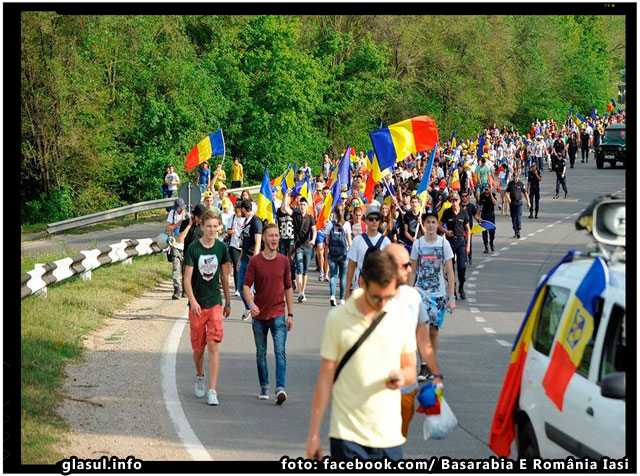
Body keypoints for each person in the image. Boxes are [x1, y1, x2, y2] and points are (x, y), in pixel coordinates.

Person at [306, 252, 417, 461]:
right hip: (348, 436)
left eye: (389, 296)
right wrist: (314, 434)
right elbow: (324, 379)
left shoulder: (401, 314)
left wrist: (403, 376)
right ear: (362, 283)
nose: (383, 303)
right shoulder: (338, 319)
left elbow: (411, 368)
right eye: (377, 297)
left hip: (390, 436)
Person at [384, 243, 443, 435]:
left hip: (406, 387)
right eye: (405, 265)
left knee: (397, 438)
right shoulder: (368, 297)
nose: (410, 269)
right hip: (376, 388)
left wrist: (436, 374)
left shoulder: (412, 297)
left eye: (410, 264)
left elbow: (423, 340)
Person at [183, 209, 231, 406]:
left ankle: (212, 390)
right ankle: (200, 375)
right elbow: (186, 279)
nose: (212, 229)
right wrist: (193, 301)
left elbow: (225, 277)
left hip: (214, 303)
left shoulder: (221, 248)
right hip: (197, 305)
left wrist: (227, 301)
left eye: (215, 226)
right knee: (198, 349)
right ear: (201, 227)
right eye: (208, 226)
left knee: (213, 344)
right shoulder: (194, 249)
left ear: (219, 227)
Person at [243, 223, 294, 404]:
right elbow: (246, 286)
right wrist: (251, 304)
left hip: (279, 313)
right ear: (264, 238)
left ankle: (280, 388)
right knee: (261, 353)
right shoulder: (255, 261)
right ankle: (264, 385)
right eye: (271, 236)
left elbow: (288, 288)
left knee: (280, 352)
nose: (274, 239)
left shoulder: (284, 261)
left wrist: (290, 314)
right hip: (259, 316)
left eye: (277, 235)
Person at [345, 206, 391, 299]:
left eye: (377, 219)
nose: (374, 221)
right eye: (371, 219)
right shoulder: (358, 240)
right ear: (365, 221)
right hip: (360, 289)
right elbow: (351, 266)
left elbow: (389, 269)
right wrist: (346, 293)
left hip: (380, 289)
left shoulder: (386, 241)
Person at [439, 191, 470, 300]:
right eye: (452, 200)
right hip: (450, 242)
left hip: (461, 241)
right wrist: (446, 232)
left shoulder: (463, 213)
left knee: (462, 267)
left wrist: (468, 245)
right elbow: (440, 225)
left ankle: (461, 286)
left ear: (459, 201)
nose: (454, 202)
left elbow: (468, 229)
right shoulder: (447, 212)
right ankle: (453, 289)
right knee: (450, 268)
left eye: (456, 200)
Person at [237, 199, 263, 320]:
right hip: (244, 259)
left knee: (254, 288)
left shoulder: (256, 221)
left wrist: (255, 260)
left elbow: (258, 242)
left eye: (240, 208)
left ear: (244, 209)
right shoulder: (246, 222)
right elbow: (244, 243)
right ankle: (249, 307)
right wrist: (239, 259)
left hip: (252, 260)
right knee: (241, 287)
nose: (239, 211)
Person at [326, 203, 352, 306]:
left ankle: (332, 296)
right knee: (343, 277)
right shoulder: (346, 224)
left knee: (333, 275)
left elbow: (327, 240)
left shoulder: (330, 224)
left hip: (332, 253)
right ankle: (342, 299)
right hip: (344, 254)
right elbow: (349, 241)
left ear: (335, 213)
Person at [292, 197, 316, 302]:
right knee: (299, 269)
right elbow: (286, 209)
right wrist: (286, 197)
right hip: (298, 247)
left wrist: (313, 240)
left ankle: (303, 291)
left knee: (305, 271)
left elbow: (314, 230)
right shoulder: (295, 216)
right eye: (301, 204)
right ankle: (300, 293)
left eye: (304, 205)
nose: (302, 206)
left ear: (307, 206)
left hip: (308, 246)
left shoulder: (310, 218)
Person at [166, 198, 187, 300]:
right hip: (175, 245)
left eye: (180, 209)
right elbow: (168, 228)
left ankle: (185, 289)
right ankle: (176, 289)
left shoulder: (188, 215)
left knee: (185, 270)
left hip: (185, 246)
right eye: (178, 209)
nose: (179, 211)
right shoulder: (172, 214)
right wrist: (177, 224)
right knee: (175, 268)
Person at [226, 201, 245, 297]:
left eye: (239, 211)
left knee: (244, 266)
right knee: (237, 266)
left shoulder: (246, 219)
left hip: (244, 245)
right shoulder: (232, 218)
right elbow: (227, 230)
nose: (237, 213)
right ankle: (238, 288)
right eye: (236, 211)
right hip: (234, 245)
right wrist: (231, 231)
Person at [505, 170, 530, 239]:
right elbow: (506, 193)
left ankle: (518, 229)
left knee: (518, 216)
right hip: (512, 203)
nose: (515, 179)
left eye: (516, 178)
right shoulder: (510, 184)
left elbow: (525, 193)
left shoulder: (521, 184)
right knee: (513, 217)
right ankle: (515, 230)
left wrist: (528, 202)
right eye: (514, 178)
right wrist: (508, 199)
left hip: (519, 202)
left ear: (518, 177)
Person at [477, 184, 497, 253]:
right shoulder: (482, 195)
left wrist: (491, 195)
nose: (486, 190)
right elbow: (479, 206)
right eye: (485, 189)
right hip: (484, 216)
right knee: (484, 232)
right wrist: (477, 216)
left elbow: (495, 203)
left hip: (491, 215)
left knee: (492, 231)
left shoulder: (493, 195)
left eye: (487, 189)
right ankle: (486, 246)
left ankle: (491, 242)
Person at [460, 191, 477, 266]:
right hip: (460, 228)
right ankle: (464, 259)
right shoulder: (459, 205)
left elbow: (475, 216)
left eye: (465, 196)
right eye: (462, 196)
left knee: (468, 243)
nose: (464, 197)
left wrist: (479, 220)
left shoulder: (471, 206)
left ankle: (469, 257)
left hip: (469, 229)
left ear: (468, 196)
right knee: (462, 243)